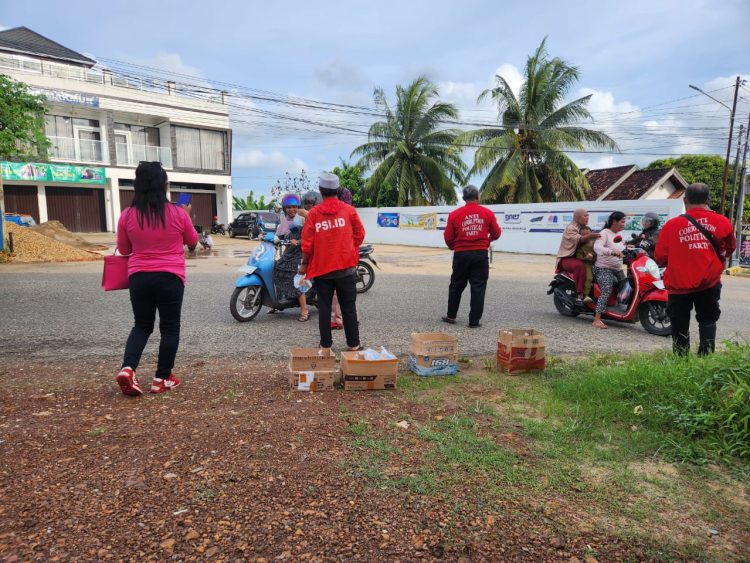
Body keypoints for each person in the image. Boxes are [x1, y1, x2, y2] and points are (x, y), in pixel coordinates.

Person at [115, 161, 198, 396]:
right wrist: (186, 217)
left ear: (138, 186)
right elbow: (192, 242)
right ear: (164, 185)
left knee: (142, 325)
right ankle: (161, 378)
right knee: (170, 328)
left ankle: (128, 369)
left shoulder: (127, 215)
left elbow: (123, 249)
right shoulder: (178, 213)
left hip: (139, 277)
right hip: (170, 276)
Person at [654, 183, 736, 355]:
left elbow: (660, 257)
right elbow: (729, 249)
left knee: (679, 323)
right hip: (709, 282)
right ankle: (706, 357)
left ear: (685, 200)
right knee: (707, 320)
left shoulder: (671, 225)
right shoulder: (723, 221)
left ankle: (681, 361)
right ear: (708, 200)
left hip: (678, 285)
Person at [300, 173, 365, 351]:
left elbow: (307, 244)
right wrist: (348, 249)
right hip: (346, 268)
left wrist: (305, 264)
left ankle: (325, 345)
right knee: (348, 308)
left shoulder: (313, 214)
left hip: (322, 271)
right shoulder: (349, 211)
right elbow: (360, 235)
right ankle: (354, 344)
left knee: (324, 307)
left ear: (321, 191)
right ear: (337, 190)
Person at [442, 185, 501, 328]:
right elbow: (497, 233)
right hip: (480, 255)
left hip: (461, 255)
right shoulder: (487, 213)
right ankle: (474, 321)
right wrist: (487, 241)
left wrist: (454, 247)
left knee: (456, 285)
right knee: (478, 287)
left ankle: (451, 316)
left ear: (463, 198)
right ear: (478, 197)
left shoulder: (455, 214)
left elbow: (448, 237)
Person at [272, 193, 310, 321]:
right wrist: (270, 238)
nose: (292, 209)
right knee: (276, 268)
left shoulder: (303, 220)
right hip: (288, 254)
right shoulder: (285, 221)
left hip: (301, 255)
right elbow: (280, 236)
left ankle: (304, 310)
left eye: (294, 207)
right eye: (288, 207)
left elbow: (311, 239)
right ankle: (280, 302)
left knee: (296, 279)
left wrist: (298, 242)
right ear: (284, 208)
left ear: (299, 207)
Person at [591, 211, 627, 329]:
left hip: (617, 268)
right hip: (603, 268)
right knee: (607, 288)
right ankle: (597, 319)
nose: (623, 224)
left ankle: (617, 309)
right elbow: (597, 247)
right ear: (614, 221)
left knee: (627, 286)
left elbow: (622, 249)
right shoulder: (605, 233)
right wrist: (610, 252)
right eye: (622, 221)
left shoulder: (619, 236)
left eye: (624, 222)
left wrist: (629, 248)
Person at [556, 209, 601, 302]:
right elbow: (579, 239)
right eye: (585, 216)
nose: (587, 218)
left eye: (588, 216)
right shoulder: (571, 228)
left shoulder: (584, 228)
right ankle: (580, 293)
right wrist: (590, 236)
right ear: (577, 217)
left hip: (580, 257)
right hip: (567, 258)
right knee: (579, 266)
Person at [575, 225, 597, 305]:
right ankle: (583, 296)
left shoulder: (596, 242)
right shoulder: (580, 246)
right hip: (587, 264)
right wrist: (586, 257)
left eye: (588, 234)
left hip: (598, 263)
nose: (587, 237)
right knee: (589, 279)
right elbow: (578, 257)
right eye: (584, 235)